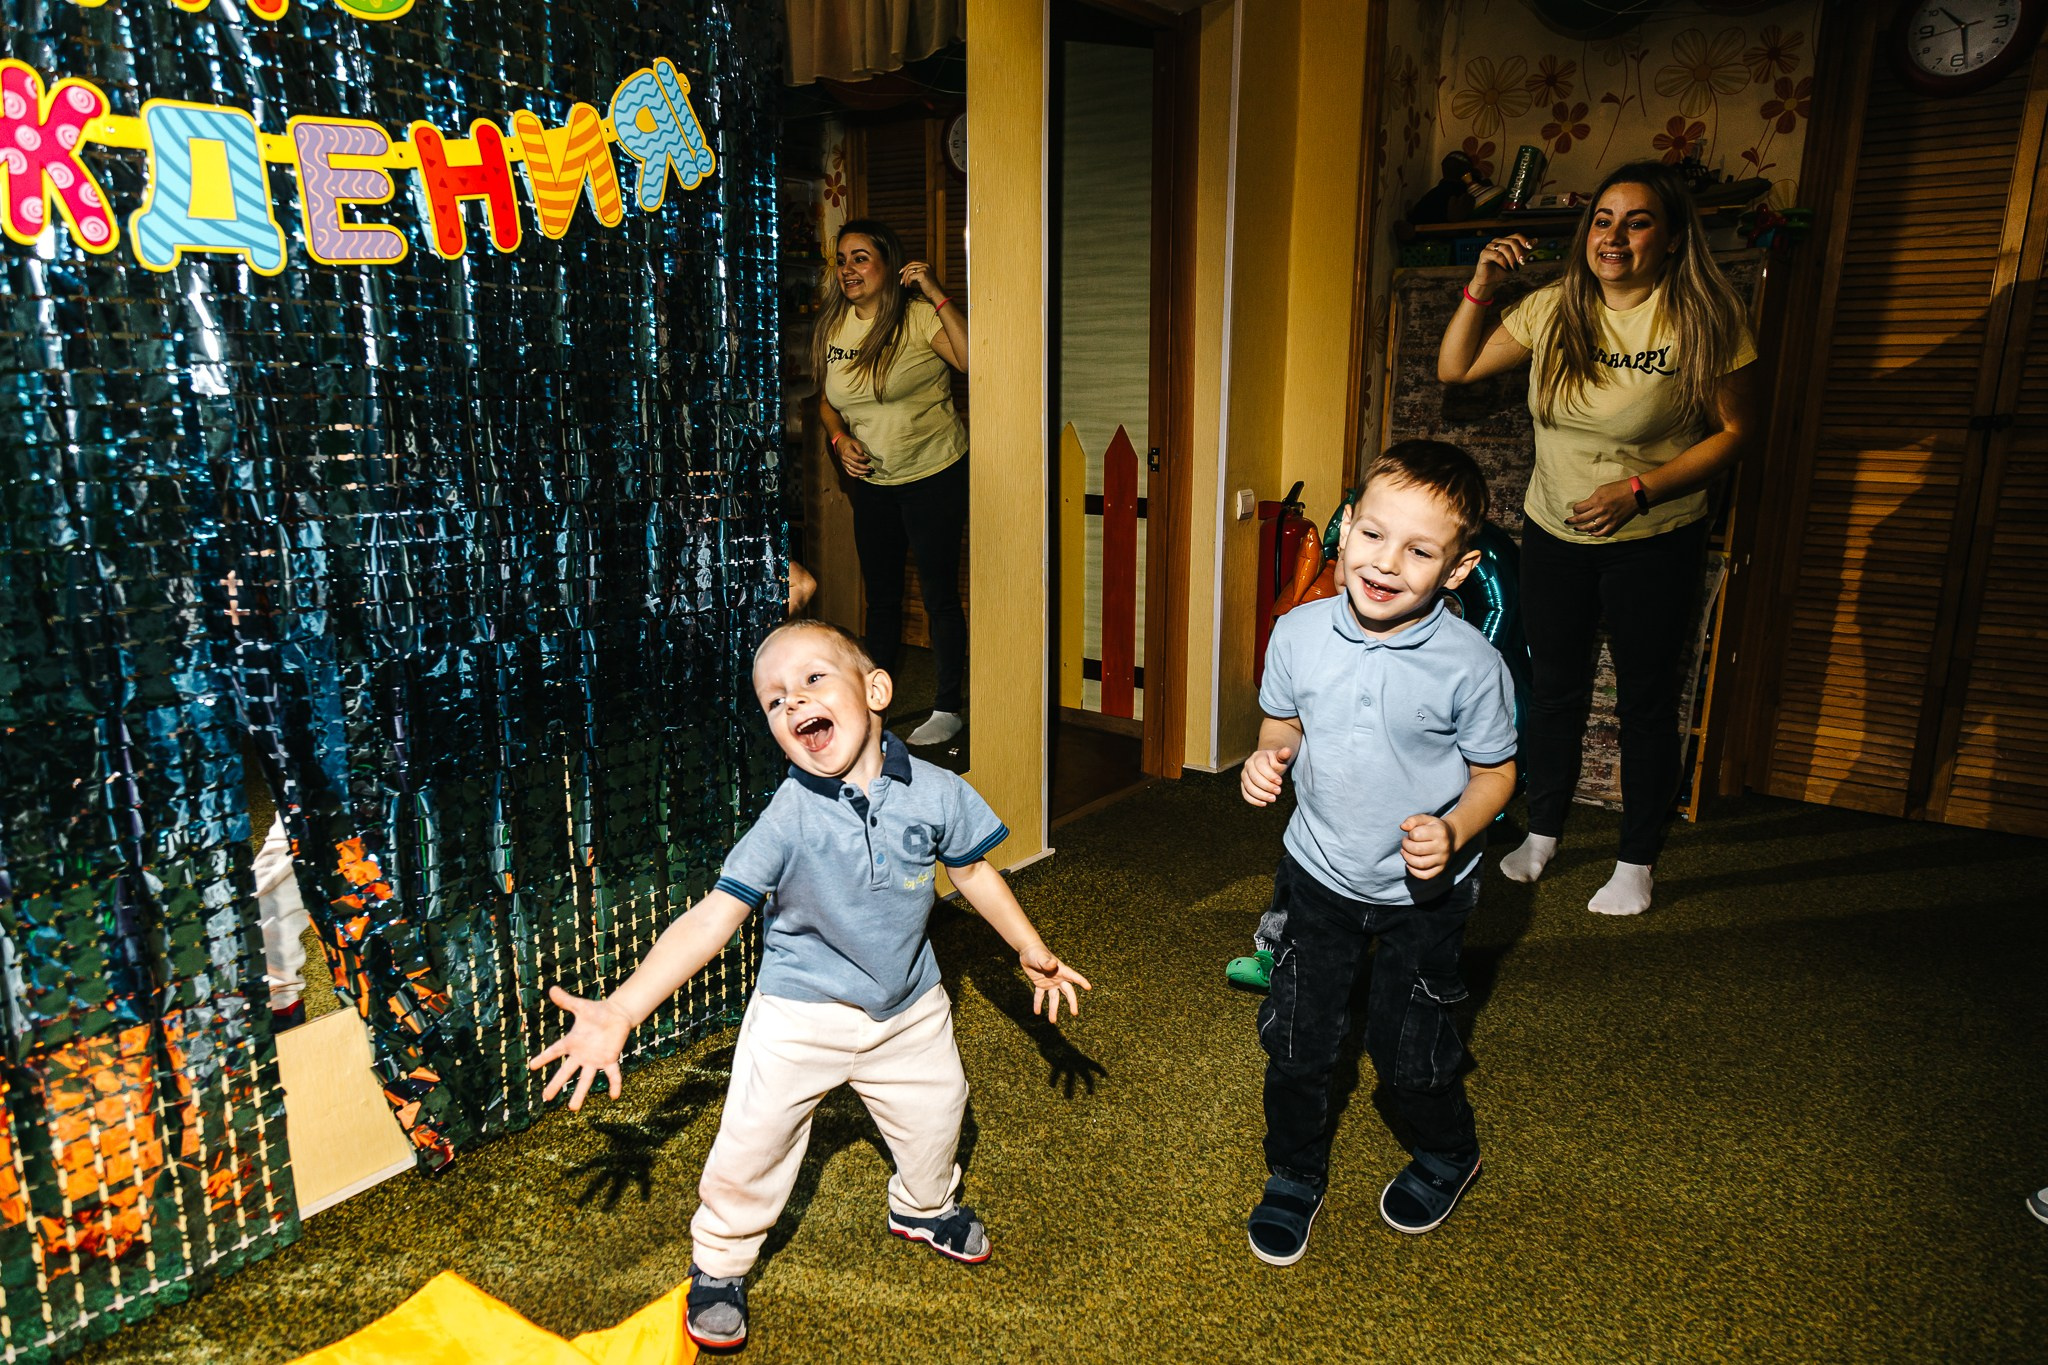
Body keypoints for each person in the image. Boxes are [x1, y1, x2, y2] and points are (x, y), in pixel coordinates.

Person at [529, 618, 1090, 1350]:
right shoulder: (786, 818)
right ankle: (721, 1262)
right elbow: (712, 918)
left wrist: (1030, 947)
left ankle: (923, 1206)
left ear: (877, 689)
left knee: (940, 1112)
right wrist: (624, 1006)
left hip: (908, 1004)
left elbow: (973, 870)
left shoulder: (939, 791)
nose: (793, 702)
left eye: (813, 681)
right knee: (752, 1145)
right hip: (800, 1012)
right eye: (773, 700)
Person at [1436, 160, 1760, 917]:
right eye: (1603, 219)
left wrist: (1638, 490)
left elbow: (1739, 433)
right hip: (1555, 532)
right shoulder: (1556, 307)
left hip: (1655, 537)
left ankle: (1636, 859)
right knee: (1553, 693)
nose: (1614, 236)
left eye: (1637, 220)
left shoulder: (1705, 317)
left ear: (1673, 238)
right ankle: (1542, 833)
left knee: (1646, 701)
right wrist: (1482, 279)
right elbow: (1456, 369)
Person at [1239, 441, 1518, 1266]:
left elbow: (1497, 775)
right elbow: (1282, 720)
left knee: (1410, 1054)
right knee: (1297, 1040)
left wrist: (1457, 828)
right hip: (1317, 875)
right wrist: (1268, 756)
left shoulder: (1473, 665)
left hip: (1422, 899)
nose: (1386, 563)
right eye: (1373, 534)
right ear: (1347, 526)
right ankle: (1293, 1173)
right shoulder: (1296, 631)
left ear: (1459, 568)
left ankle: (1445, 1153)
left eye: (1420, 550)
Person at [814, 219, 971, 747]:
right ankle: (872, 704)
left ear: (889, 263)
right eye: (842, 260)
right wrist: (838, 441)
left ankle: (949, 705)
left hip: (933, 474)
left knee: (938, 595)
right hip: (874, 484)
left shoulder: (919, 318)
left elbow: (974, 361)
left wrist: (934, 291)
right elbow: (827, 403)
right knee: (880, 599)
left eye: (860, 258)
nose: (848, 269)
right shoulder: (834, 327)